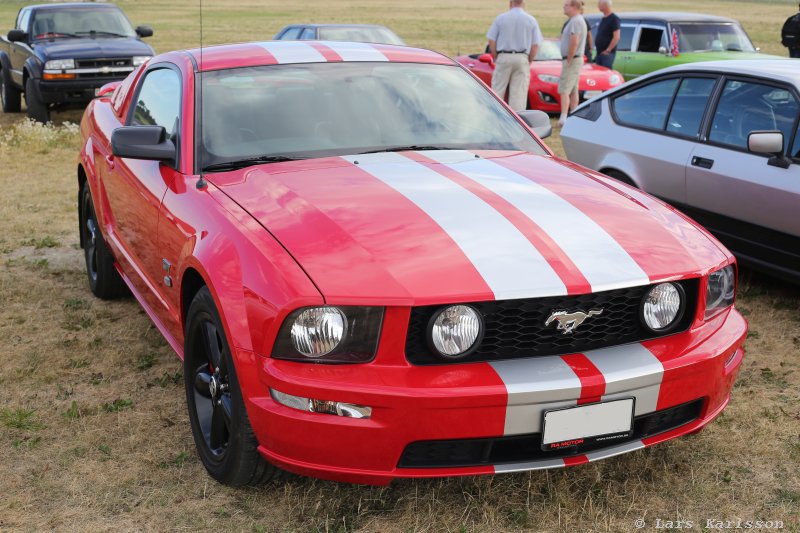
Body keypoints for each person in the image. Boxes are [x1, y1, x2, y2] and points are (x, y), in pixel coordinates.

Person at [486, 0, 543, 112]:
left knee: (498, 89)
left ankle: (495, 114)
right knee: (519, 93)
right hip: (522, 57)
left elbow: (491, 40)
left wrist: (496, 56)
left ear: (510, 3)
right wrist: (530, 59)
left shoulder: (501, 18)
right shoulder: (531, 20)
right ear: (523, 3)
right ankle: (517, 118)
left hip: (504, 55)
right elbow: (535, 44)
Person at [558, 0, 587, 127]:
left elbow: (574, 41)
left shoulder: (576, 21)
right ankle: (574, 114)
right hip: (575, 59)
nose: (564, 7)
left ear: (574, 7)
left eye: (566, 5)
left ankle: (564, 117)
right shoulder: (576, 20)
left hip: (572, 59)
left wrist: (569, 59)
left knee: (564, 89)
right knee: (573, 89)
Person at [594, 0, 621, 68]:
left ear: (605, 6)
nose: (598, 6)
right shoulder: (603, 19)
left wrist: (608, 50)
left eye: (599, 4)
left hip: (607, 54)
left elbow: (616, 37)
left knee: (605, 73)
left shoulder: (614, 19)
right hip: (599, 52)